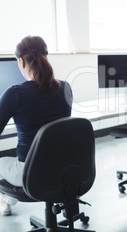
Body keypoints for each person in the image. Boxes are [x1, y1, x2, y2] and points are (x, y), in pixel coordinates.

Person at [0, 36, 73, 216]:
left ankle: (7, 203)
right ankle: (7, 200)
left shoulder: (14, 94)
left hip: (30, 172)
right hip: (63, 168)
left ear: (21, 61)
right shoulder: (65, 88)